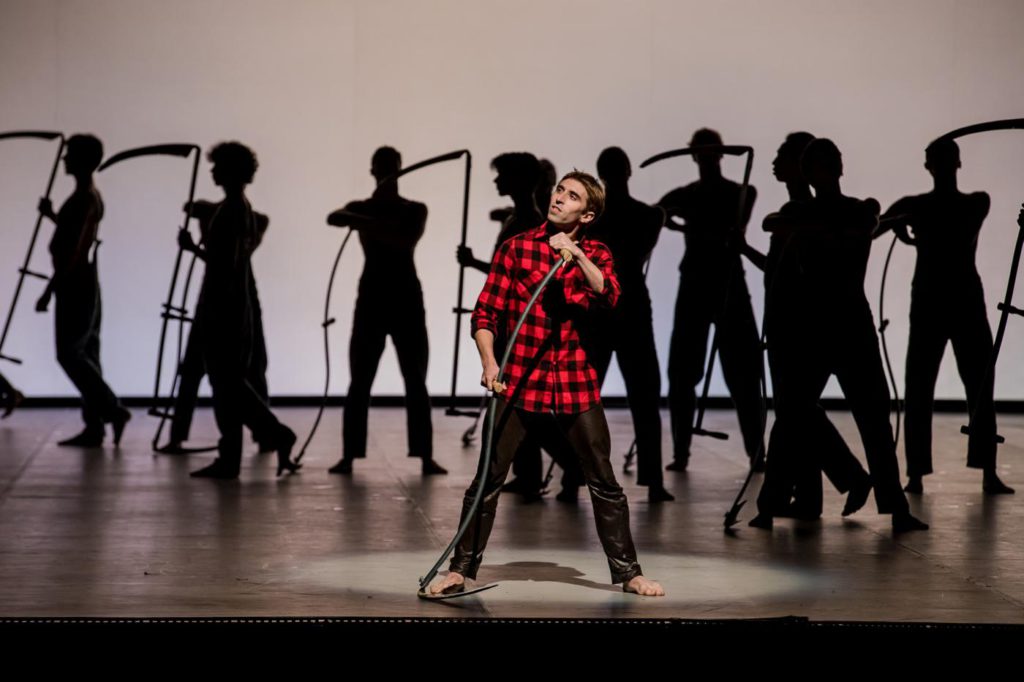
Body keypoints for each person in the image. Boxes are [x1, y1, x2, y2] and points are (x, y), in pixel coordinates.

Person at [428, 171, 664, 597]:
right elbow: (485, 313)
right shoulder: (517, 247)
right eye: (559, 190)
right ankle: (461, 569)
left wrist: (574, 254)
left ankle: (629, 573)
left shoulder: (595, 252)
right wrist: (489, 363)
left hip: (573, 378)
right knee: (488, 477)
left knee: (603, 478)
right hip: (517, 379)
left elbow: (608, 293)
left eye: (571, 196)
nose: (559, 198)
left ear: (587, 214)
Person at [750, 139, 928, 533]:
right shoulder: (811, 211)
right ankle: (769, 505)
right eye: (818, 166)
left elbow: (859, 226)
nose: (824, 173)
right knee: (796, 416)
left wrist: (807, 224)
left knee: (869, 421)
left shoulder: (858, 209)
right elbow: (771, 224)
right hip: (823, 329)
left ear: (834, 170)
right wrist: (807, 223)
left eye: (827, 165)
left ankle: (895, 508)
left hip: (847, 329)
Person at [881, 139, 1012, 495]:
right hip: (933, 301)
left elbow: (955, 234)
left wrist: (906, 221)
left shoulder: (973, 202)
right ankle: (917, 474)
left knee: (978, 385)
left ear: (953, 163)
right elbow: (874, 226)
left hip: (960, 300)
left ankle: (984, 471)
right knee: (920, 386)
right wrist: (898, 221)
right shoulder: (917, 207)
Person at [757, 133, 871, 520]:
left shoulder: (804, 211)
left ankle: (839, 481)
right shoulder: (796, 209)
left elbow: (802, 273)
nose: (774, 161)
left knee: (795, 413)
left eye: (782, 156)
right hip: (784, 320)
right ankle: (806, 499)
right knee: (794, 414)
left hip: (796, 324)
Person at [177, 142, 298, 479]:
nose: (212, 172)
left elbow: (226, 265)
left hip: (224, 309)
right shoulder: (239, 208)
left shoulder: (231, 211)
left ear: (230, 171)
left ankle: (263, 440)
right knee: (230, 386)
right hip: (231, 306)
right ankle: (242, 450)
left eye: (217, 167)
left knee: (227, 385)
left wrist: (191, 249)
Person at [327, 147, 445, 476]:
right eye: (380, 167)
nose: (385, 173)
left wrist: (363, 221)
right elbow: (334, 217)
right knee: (359, 379)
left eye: (390, 167)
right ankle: (350, 455)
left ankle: (425, 455)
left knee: (416, 379)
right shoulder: (362, 207)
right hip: (372, 299)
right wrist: (365, 218)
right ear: (373, 171)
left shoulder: (414, 209)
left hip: (406, 299)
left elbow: (401, 240)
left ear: (400, 170)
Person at [657, 128, 764, 471]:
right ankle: (681, 453)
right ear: (695, 156)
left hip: (729, 284)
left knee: (745, 372)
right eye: (700, 153)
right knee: (682, 372)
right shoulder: (688, 194)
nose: (704, 158)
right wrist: (676, 225)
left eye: (709, 152)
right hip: (696, 284)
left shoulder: (741, 192)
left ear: (718, 154)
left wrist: (683, 225)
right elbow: (658, 211)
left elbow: (734, 227)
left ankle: (756, 453)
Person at [588, 146, 673, 502]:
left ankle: (575, 478)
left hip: (601, 309)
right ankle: (653, 481)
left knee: (586, 397)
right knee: (644, 397)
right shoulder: (648, 216)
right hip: (631, 306)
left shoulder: (592, 220)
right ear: (627, 171)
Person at [36, 134, 130, 447]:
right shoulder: (86, 197)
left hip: (75, 282)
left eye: (69, 155)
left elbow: (75, 250)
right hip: (83, 281)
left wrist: (49, 290)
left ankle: (113, 410)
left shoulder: (84, 199)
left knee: (69, 353)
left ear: (83, 160)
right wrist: (53, 216)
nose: (64, 160)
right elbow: (73, 232)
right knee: (87, 352)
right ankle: (94, 427)